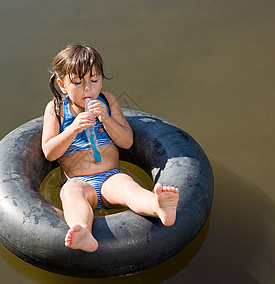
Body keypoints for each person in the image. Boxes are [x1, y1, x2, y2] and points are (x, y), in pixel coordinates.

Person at [42, 44, 179, 252]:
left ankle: (158, 206)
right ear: (62, 85)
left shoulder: (108, 100)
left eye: (94, 80)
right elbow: (49, 152)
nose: (88, 88)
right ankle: (83, 231)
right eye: (78, 82)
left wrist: (105, 118)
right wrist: (74, 128)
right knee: (71, 194)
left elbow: (127, 142)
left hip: (111, 177)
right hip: (78, 182)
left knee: (128, 188)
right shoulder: (56, 109)